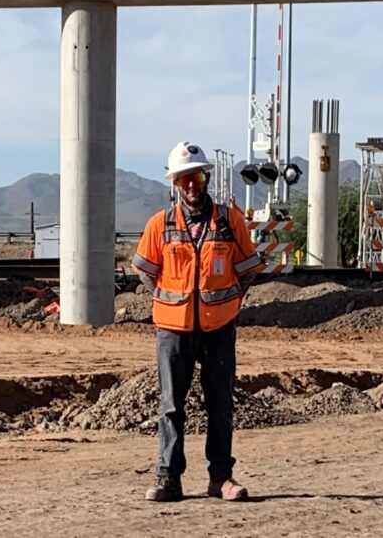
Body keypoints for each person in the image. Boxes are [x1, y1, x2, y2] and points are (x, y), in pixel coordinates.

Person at [132, 141, 263, 503]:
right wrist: (170, 300)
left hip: (219, 328)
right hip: (173, 331)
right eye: (184, 179)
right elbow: (145, 272)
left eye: (197, 177)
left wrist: (231, 302)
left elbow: (248, 269)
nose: (191, 184)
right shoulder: (161, 225)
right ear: (175, 183)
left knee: (220, 404)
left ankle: (221, 478)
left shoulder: (228, 220)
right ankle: (168, 478)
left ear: (206, 178)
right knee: (172, 405)